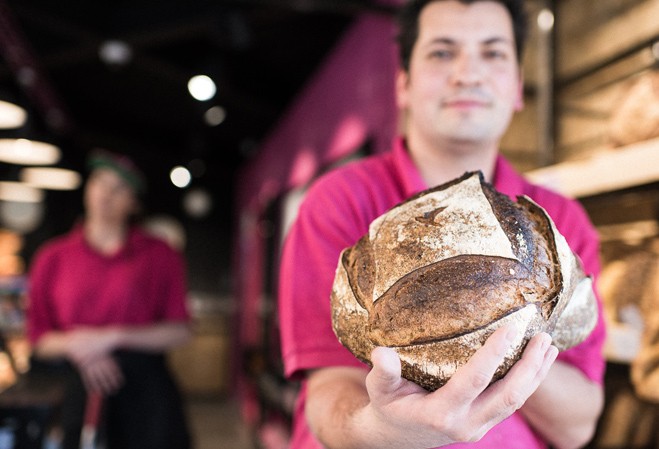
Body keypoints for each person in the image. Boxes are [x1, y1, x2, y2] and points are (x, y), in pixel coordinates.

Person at [278, 1, 606, 448]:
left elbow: (576, 427)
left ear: (516, 88)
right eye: (441, 52)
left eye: (492, 54)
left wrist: (506, 330)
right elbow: (327, 386)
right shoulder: (342, 199)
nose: (467, 74)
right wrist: (381, 433)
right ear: (403, 86)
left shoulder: (558, 222)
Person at [26, 149, 192, 449]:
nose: (106, 195)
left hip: (145, 391)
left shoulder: (160, 254)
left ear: (133, 202)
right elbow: (38, 338)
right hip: (77, 386)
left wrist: (111, 337)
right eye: (100, 182)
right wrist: (80, 348)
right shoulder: (52, 257)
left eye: (119, 188)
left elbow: (180, 331)